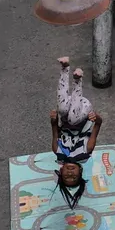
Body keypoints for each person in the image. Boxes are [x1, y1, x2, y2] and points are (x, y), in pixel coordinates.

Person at [48, 57, 103, 210]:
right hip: (83, 109)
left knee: (63, 110)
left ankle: (65, 68)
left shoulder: (57, 151)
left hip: (68, 111)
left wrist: (53, 118)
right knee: (72, 119)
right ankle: (78, 81)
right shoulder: (86, 151)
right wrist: (95, 117)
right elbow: (98, 124)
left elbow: (55, 128)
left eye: (67, 175)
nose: (70, 172)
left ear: (61, 171)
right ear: (81, 171)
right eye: (74, 175)